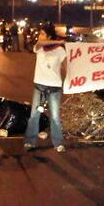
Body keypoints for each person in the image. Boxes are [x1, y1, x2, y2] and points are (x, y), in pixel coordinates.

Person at [24, 23, 67, 153]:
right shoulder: (39, 47)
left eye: (42, 34)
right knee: (34, 115)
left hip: (54, 87)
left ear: (48, 35)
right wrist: (58, 40)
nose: (39, 36)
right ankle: (30, 142)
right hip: (39, 86)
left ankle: (58, 143)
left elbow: (66, 66)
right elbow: (39, 43)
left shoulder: (60, 50)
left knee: (54, 117)